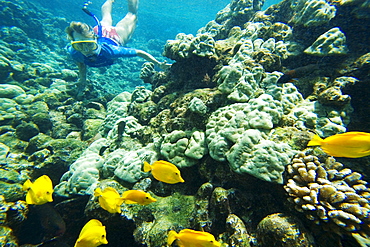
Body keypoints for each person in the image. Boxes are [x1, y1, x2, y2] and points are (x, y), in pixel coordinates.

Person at [65, 0, 169, 94]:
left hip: (116, 36)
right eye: (79, 46)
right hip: (101, 30)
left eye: (90, 45)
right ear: (74, 44)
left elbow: (139, 52)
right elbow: (80, 62)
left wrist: (158, 64)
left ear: (95, 40)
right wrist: (82, 80)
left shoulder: (110, 51)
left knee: (132, 15)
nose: (86, 50)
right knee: (106, 17)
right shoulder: (74, 52)